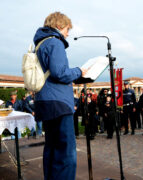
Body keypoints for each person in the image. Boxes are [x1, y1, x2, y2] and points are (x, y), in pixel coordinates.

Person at [33, 12, 86, 180]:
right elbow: (59, 72)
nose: (68, 33)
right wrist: (79, 71)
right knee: (66, 153)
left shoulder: (40, 43)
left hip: (45, 101)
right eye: (67, 29)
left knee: (51, 149)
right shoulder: (55, 43)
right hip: (59, 103)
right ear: (59, 25)